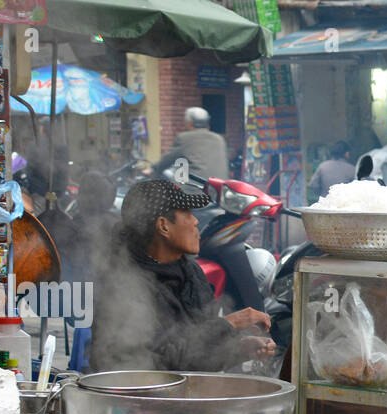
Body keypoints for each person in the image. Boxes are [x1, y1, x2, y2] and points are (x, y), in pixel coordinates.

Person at [91, 179, 274, 373]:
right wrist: (230, 323)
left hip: (187, 394)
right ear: (164, 226)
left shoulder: (190, 271)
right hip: (140, 398)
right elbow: (159, 363)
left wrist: (241, 348)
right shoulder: (125, 287)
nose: (195, 221)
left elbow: (196, 354)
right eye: (186, 213)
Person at [154, 106, 230, 181]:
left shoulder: (185, 138)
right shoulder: (219, 139)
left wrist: (153, 169)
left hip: (195, 189)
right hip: (219, 188)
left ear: (190, 123)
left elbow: (167, 160)